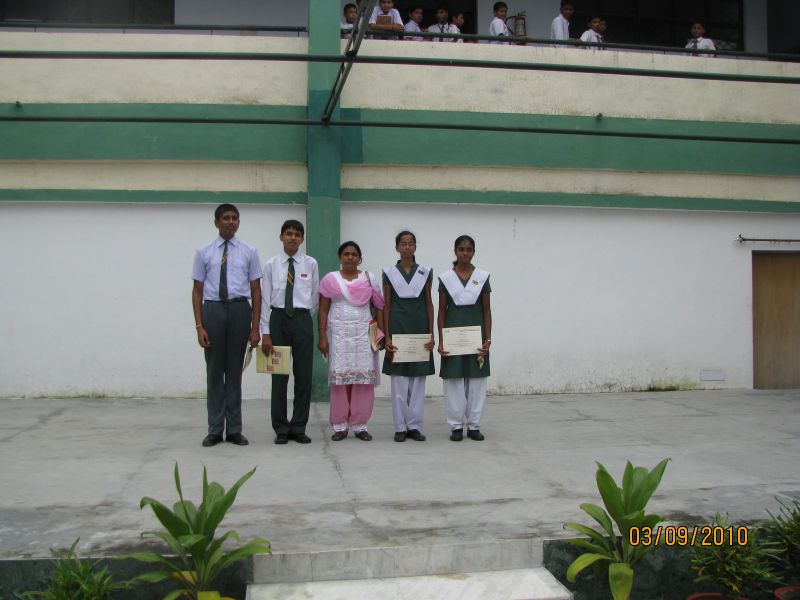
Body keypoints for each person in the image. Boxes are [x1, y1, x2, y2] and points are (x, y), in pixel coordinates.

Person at [191, 203, 262, 447]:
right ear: (216, 222)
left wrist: (255, 327)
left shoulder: (249, 251)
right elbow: (197, 290)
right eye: (226, 218)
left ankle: (234, 429)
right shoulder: (204, 252)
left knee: (234, 372)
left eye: (234, 218)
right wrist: (199, 326)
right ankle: (214, 429)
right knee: (214, 372)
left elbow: (256, 290)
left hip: (240, 310)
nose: (231, 222)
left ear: (239, 222)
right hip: (213, 310)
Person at [318, 242, 385, 441]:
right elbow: (323, 309)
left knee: (362, 381)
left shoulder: (369, 278)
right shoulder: (331, 279)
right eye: (346, 254)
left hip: (363, 336)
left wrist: (381, 333)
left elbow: (379, 306)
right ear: (340, 257)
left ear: (359, 258)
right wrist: (322, 336)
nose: (350, 257)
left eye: (354, 254)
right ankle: (340, 426)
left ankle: (360, 425)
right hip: (338, 336)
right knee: (340, 381)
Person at [260, 220, 319, 445]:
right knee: (279, 376)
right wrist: (266, 332)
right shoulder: (271, 264)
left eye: (297, 234)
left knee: (303, 377)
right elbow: (265, 299)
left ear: (302, 239)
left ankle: (299, 426)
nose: (292, 237)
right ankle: (281, 428)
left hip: (302, 319)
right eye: (288, 233)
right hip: (278, 319)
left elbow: (315, 296)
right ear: (281, 237)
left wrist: (303, 317)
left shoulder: (310, 263)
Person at [383, 231, 435, 443]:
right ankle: (400, 427)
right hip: (397, 328)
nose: (407, 247)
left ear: (415, 247)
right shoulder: (389, 272)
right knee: (399, 381)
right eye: (403, 244)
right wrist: (387, 336)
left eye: (410, 243)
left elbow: (429, 302)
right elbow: (386, 305)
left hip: (420, 328)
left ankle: (414, 426)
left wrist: (432, 333)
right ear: (397, 247)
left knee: (418, 381)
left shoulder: (425, 272)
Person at [438, 235, 492, 442]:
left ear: (473, 252)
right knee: (453, 381)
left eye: (469, 249)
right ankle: (456, 426)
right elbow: (441, 311)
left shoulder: (482, 277)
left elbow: (486, 310)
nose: (465, 253)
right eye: (461, 249)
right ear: (455, 251)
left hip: (476, 337)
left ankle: (474, 425)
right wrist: (441, 340)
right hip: (453, 336)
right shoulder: (446, 278)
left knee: (477, 381)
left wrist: (488, 338)